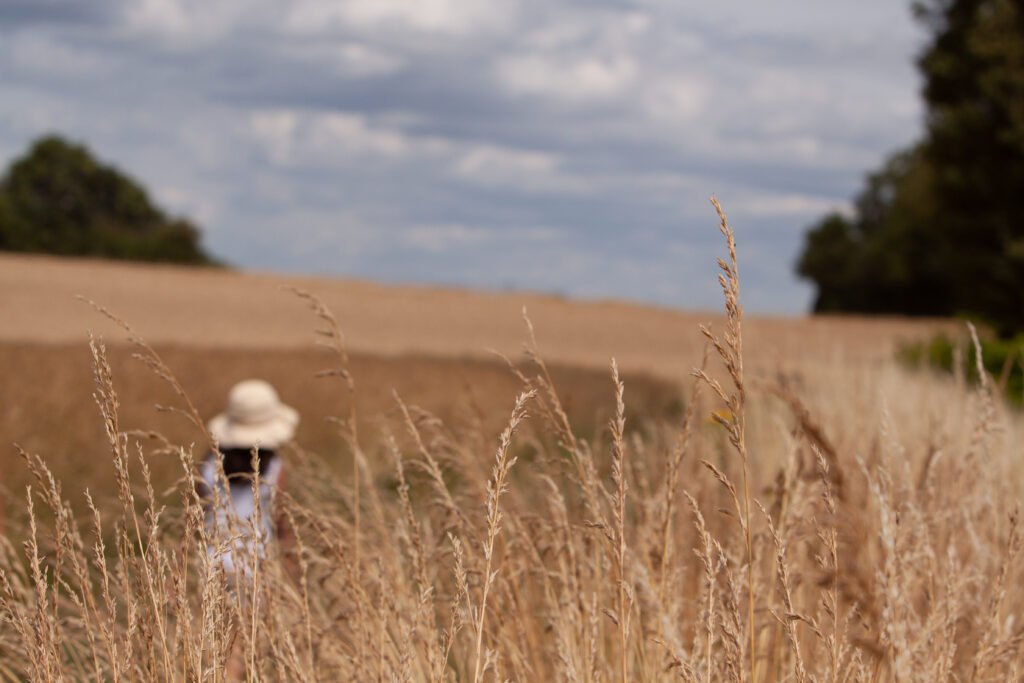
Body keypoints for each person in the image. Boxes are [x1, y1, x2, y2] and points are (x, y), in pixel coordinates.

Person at [199, 379, 298, 577]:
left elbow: (194, 521)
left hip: (214, 565)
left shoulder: (208, 464)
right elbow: (282, 528)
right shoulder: (274, 469)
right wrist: (293, 573)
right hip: (257, 566)